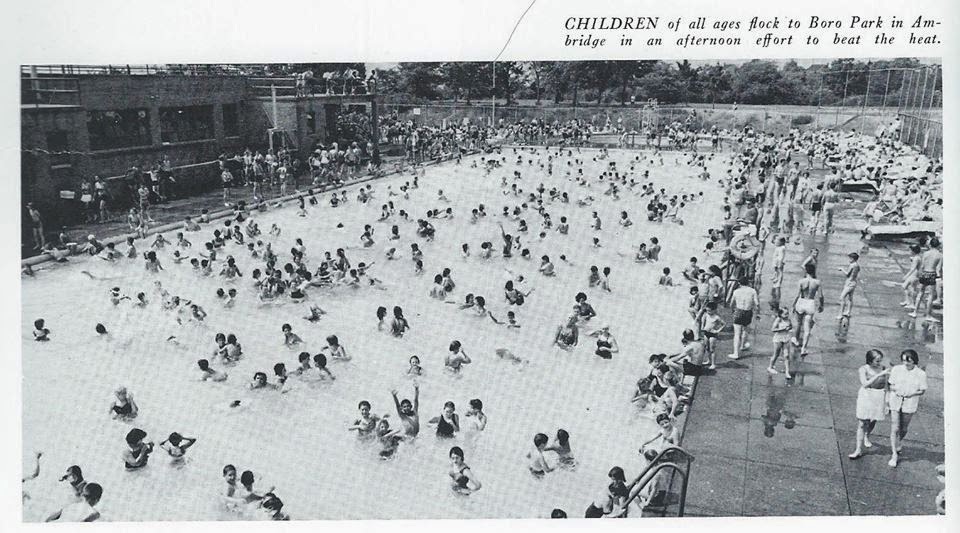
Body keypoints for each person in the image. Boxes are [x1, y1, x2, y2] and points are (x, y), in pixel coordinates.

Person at [887, 349, 928, 467]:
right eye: (904, 360)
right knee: (895, 427)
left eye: (909, 361)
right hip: (896, 399)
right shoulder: (896, 369)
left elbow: (922, 390)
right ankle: (894, 454)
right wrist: (896, 390)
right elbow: (891, 384)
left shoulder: (921, 374)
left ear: (914, 361)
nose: (906, 363)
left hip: (910, 402)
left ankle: (898, 442)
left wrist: (911, 394)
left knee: (903, 428)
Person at [848, 349, 890, 460]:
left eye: (880, 360)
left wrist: (887, 402)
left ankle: (867, 435)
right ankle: (858, 449)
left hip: (879, 396)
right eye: (877, 361)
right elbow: (865, 384)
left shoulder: (884, 369)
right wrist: (879, 374)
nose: (879, 363)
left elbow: (887, 386)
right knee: (862, 422)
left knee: (873, 420)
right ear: (870, 361)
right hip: (866, 395)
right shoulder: (863, 369)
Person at [792, 262, 823, 356]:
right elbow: (821, 296)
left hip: (801, 302)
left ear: (806, 271)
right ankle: (804, 348)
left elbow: (797, 295)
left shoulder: (801, 281)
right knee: (807, 327)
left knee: (798, 323)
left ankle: (796, 340)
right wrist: (821, 305)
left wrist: (793, 305)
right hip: (810, 303)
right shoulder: (817, 282)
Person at [910, 237, 942, 322]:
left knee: (920, 293)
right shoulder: (940, 255)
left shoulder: (926, 253)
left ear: (930, 244)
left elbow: (922, 266)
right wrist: (939, 278)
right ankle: (928, 315)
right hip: (932, 274)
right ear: (938, 245)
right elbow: (938, 269)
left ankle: (915, 312)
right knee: (931, 295)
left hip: (924, 273)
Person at [727, 277, 760, 360]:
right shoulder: (753, 291)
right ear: (748, 282)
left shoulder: (736, 291)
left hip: (738, 311)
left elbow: (731, 303)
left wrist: (732, 311)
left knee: (737, 333)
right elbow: (757, 303)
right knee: (745, 330)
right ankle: (742, 346)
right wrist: (757, 313)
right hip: (748, 311)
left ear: (739, 283)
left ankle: (736, 353)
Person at [768, 307, 794, 377]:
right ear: (781, 314)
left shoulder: (788, 319)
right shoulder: (778, 320)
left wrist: (790, 327)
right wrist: (782, 329)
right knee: (776, 354)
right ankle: (770, 367)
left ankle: (787, 372)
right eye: (785, 314)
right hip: (778, 339)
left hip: (786, 338)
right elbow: (773, 329)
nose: (787, 315)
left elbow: (791, 326)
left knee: (786, 355)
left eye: (787, 313)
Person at [837, 252, 861, 321]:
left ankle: (840, 314)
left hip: (849, 283)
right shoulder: (857, 265)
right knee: (850, 298)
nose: (849, 259)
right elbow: (858, 271)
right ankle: (848, 312)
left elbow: (847, 274)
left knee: (842, 298)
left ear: (853, 259)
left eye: (850, 258)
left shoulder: (852, 265)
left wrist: (842, 269)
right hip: (854, 282)